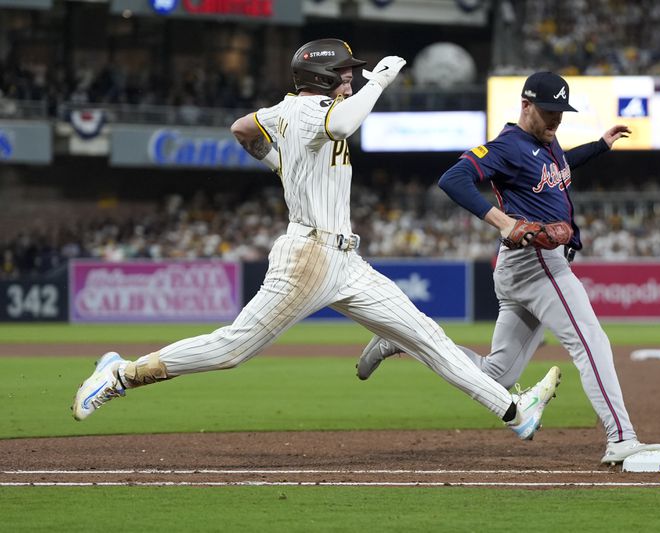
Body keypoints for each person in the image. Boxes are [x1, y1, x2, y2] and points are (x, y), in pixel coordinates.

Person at [71, 39, 561, 443]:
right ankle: (121, 374)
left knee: (428, 338)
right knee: (231, 349)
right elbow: (343, 122)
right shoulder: (312, 110)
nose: (352, 78)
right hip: (308, 258)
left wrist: (277, 161)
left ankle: (516, 412)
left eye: (354, 74)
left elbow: (242, 127)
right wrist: (380, 83)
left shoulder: (288, 111)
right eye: (345, 74)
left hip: (344, 259)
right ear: (323, 80)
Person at [357, 71, 660, 464]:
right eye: (548, 111)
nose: (556, 119)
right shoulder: (508, 146)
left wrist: (600, 146)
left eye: (561, 111)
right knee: (591, 342)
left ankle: (404, 339)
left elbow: (559, 168)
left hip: (524, 267)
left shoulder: (548, 140)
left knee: (496, 377)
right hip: (537, 262)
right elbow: (452, 179)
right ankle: (622, 438)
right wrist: (504, 222)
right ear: (526, 106)